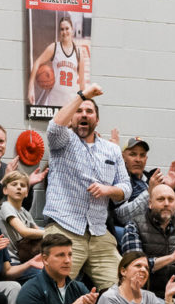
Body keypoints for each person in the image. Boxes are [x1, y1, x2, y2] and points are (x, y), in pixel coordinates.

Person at [42, 83, 131, 291]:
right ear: (72, 117)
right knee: (55, 291)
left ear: (96, 120)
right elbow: (54, 128)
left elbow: (126, 188)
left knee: (125, 287)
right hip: (65, 229)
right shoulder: (62, 141)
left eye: (89, 111)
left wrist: (108, 190)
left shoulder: (112, 150)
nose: (84, 114)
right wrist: (82, 96)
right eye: (79, 111)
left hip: (99, 233)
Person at [27, 15, 86, 107]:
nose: (64, 32)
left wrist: (83, 102)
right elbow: (37, 63)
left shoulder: (79, 53)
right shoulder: (54, 48)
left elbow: (82, 82)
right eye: (62, 29)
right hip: (54, 101)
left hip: (70, 103)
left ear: (72, 30)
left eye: (67, 28)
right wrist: (31, 88)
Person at [0, 171, 45, 272]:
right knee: (44, 274)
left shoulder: (25, 212)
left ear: (27, 193)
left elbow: (37, 230)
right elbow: (24, 232)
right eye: (14, 184)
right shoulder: (4, 207)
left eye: (22, 185)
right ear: (5, 190)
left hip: (25, 258)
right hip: (10, 262)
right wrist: (50, 232)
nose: (19, 187)